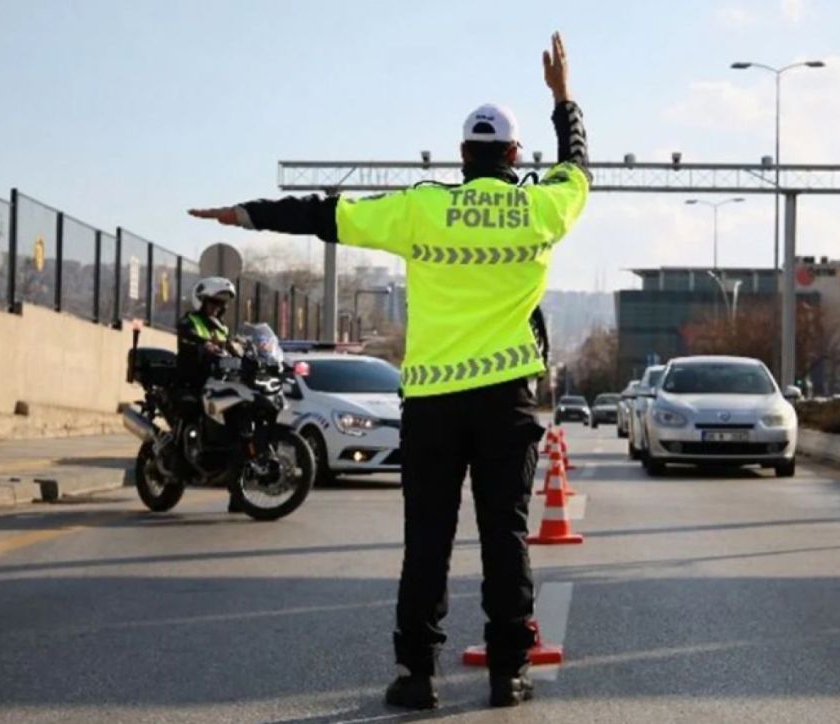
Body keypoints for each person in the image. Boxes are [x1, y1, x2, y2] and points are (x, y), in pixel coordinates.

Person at [189, 32, 588, 709]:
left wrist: (245, 214)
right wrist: (563, 98)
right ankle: (507, 673)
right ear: (516, 157)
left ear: (464, 156)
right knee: (506, 535)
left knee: (426, 541)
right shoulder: (543, 206)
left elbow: (325, 214)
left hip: (433, 403)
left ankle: (416, 676)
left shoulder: (421, 206)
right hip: (505, 403)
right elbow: (578, 166)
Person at [176, 276, 243, 513]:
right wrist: (203, 344)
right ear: (201, 302)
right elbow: (186, 335)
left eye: (219, 304)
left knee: (237, 433)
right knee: (191, 412)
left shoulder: (222, 327)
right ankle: (184, 455)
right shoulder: (190, 320)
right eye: (212, 302)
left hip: (218, 383)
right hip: (192, 381)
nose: (216, 307)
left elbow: (232, 348)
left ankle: (238, 495)